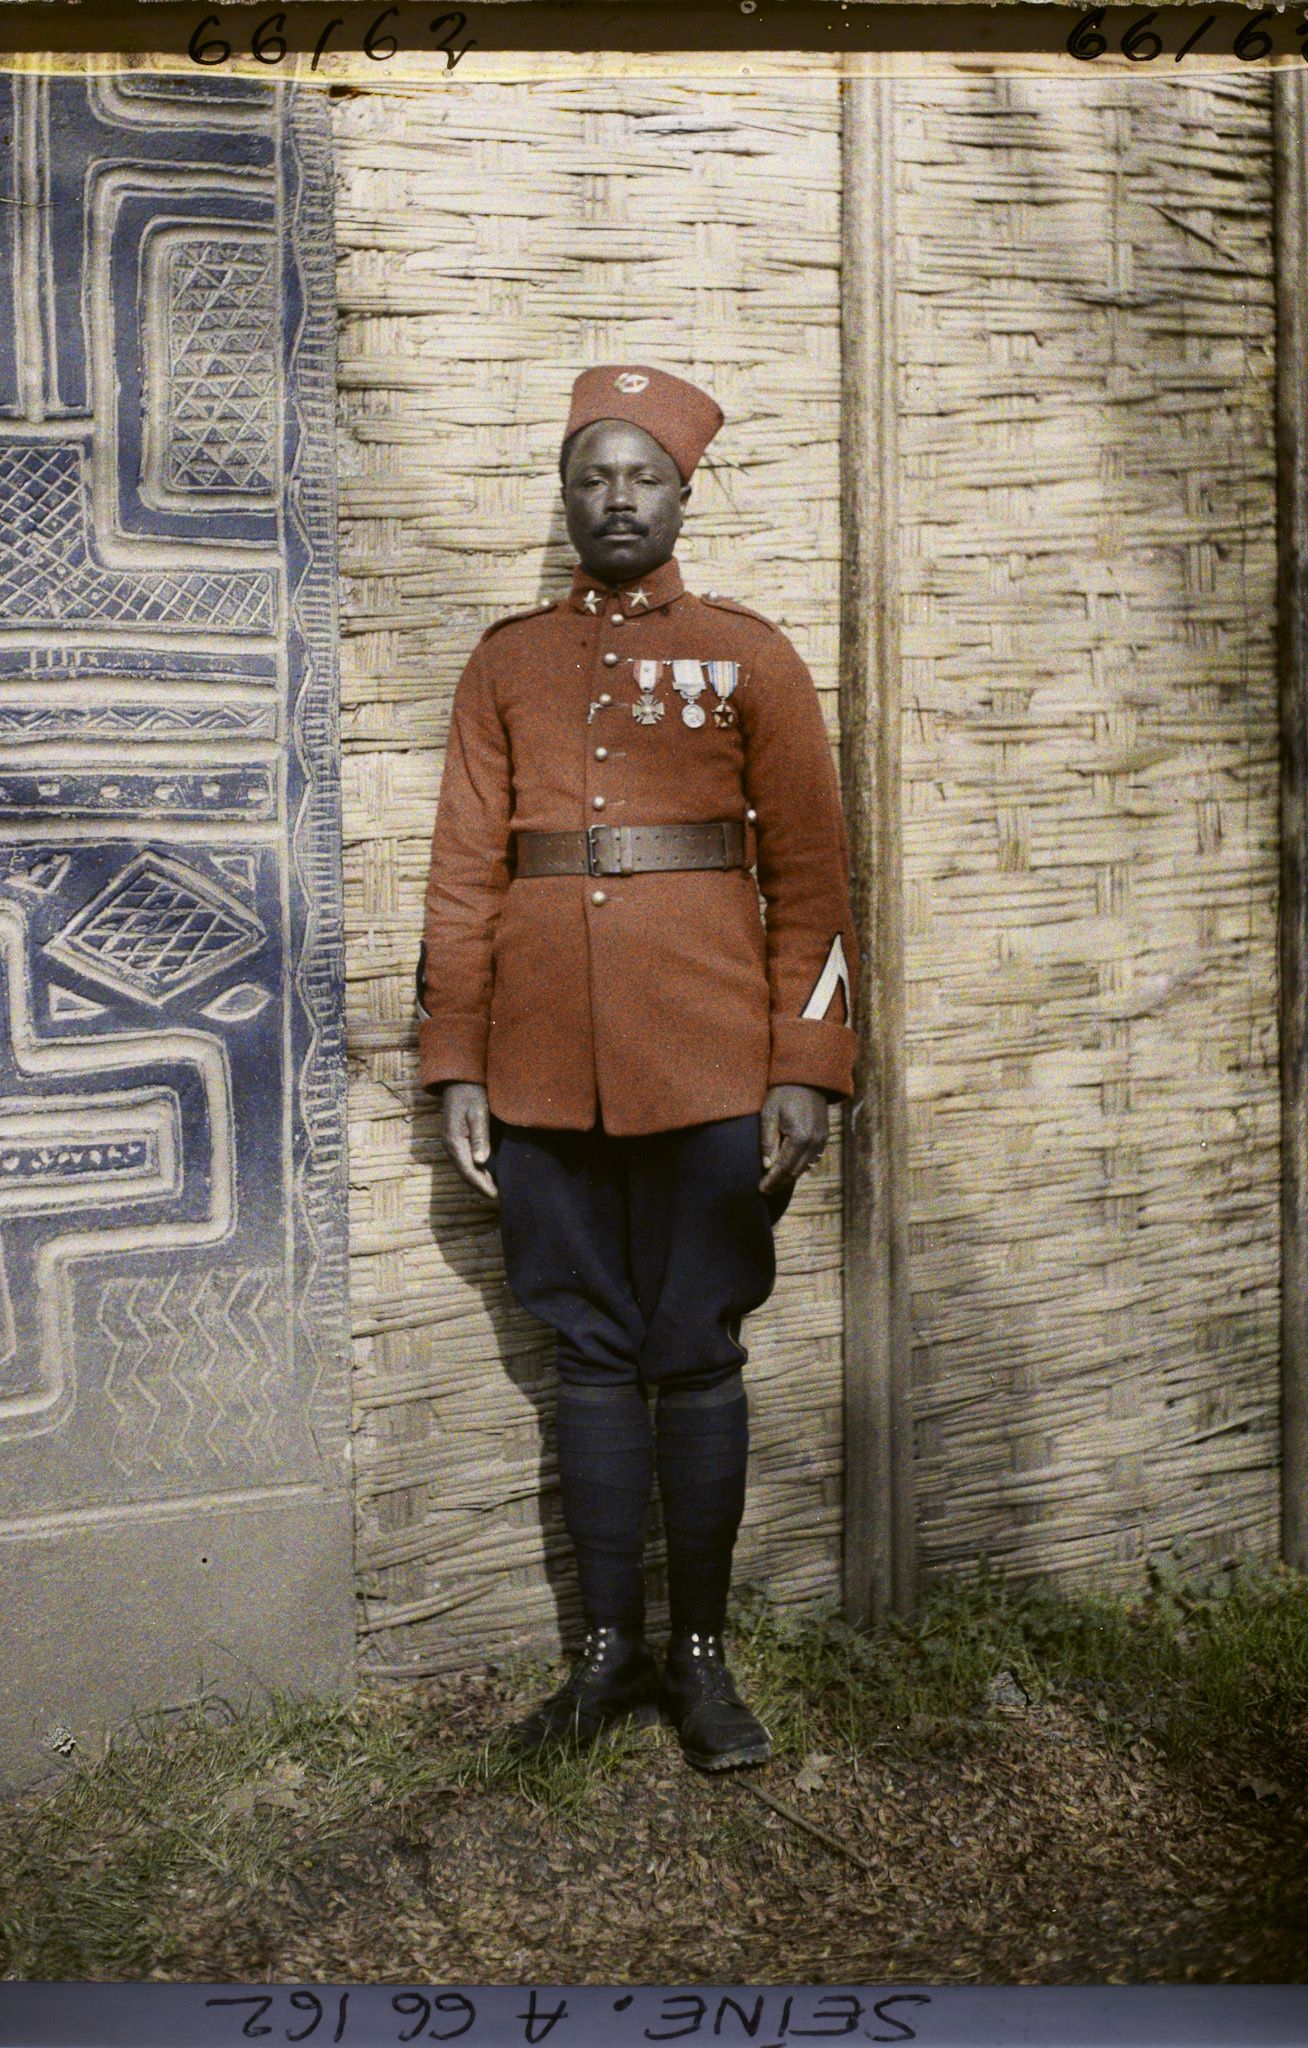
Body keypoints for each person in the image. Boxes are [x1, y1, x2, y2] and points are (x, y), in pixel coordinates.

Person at [417, 364, 858, 1770]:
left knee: (697, 1351)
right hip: (544, 1066)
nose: (617, 499)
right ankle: (607, 1661)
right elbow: (458, 880)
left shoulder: (749, 656)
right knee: (590, 1361)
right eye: (593, 476)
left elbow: (816, 878)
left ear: (683, 494)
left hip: (714, 1062)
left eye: (642, 477)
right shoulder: (507, 662)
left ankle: (706, 1667)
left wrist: (807, 1062)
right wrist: (458, 1064)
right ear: (564, 493)